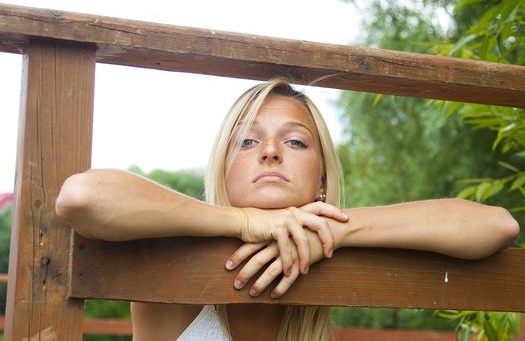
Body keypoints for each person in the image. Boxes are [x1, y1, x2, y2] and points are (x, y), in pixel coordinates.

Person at [55, 78, 519, 341]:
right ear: (223, 170)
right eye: (247, 140)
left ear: (321, 179)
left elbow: (496, 226)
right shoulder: (174, 249)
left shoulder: (335, 249)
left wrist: (335, 229)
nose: (271, 151)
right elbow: (82, 197)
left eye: (295, 140)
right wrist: (244, 221)